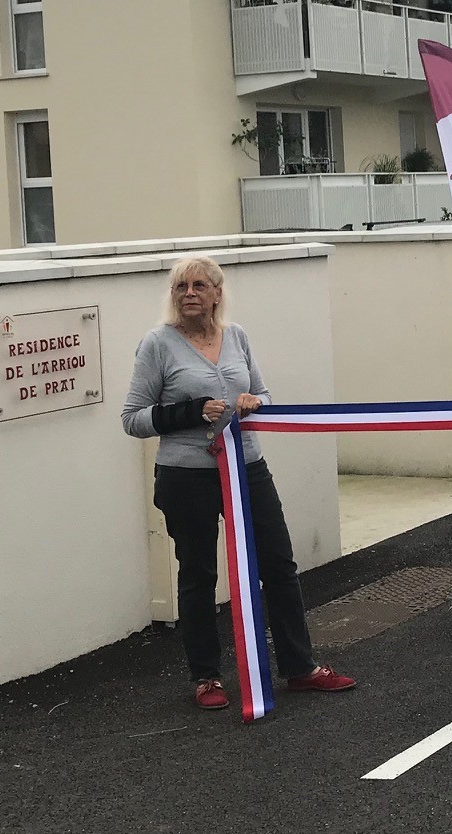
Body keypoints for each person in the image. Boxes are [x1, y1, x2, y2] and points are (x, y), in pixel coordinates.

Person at [121, 256, 355, 709]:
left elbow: (265, 394)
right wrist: (190, 411)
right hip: (187, 474)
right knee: (198, 573)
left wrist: (254, 401)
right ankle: (207, 678)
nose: (189, 293)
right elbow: (132, 419)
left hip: (246, 466)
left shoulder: (238, 337)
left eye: (198, 285)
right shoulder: (157, 345)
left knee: (278, 564)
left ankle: (300, 667)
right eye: (180, 287)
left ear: (217, 293)